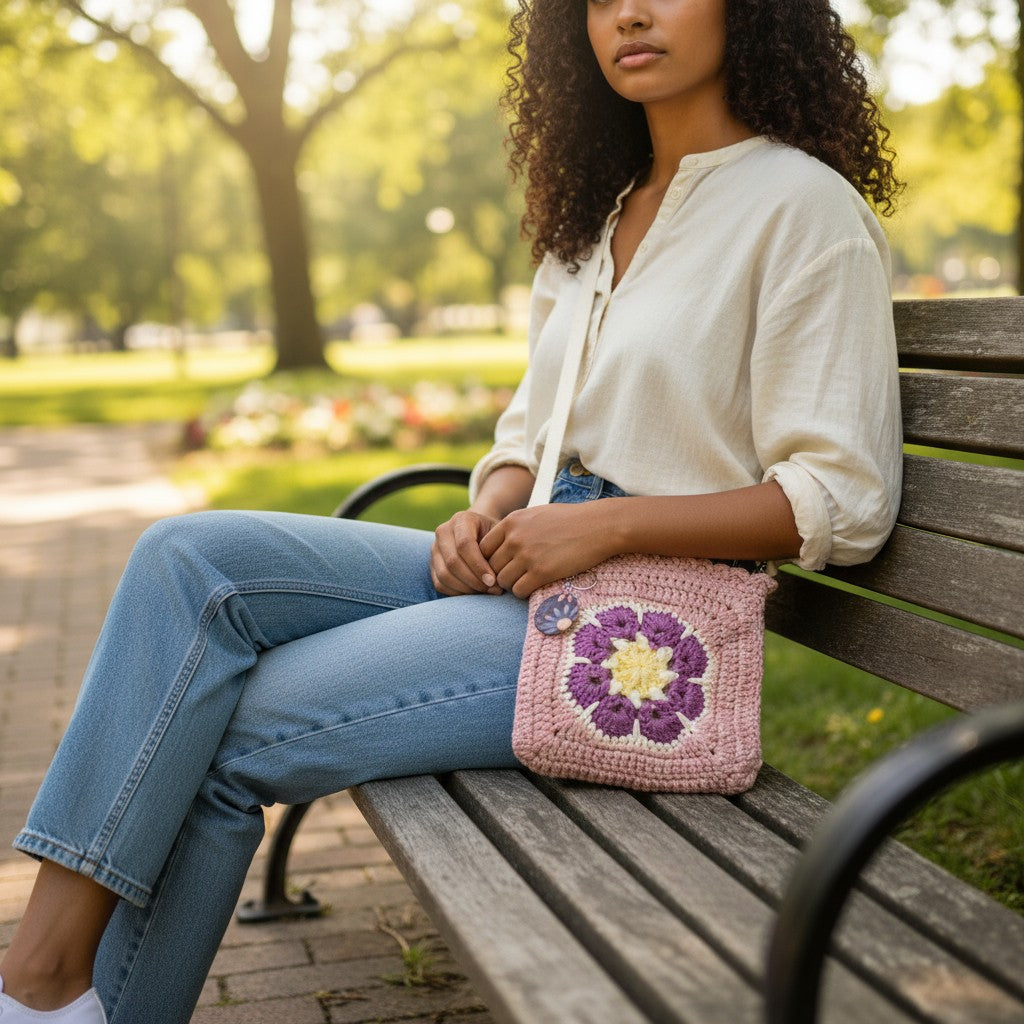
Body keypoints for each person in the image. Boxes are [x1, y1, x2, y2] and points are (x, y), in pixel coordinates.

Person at [0, 1, 903, 1021]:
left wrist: (606, 526)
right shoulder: (597, 217)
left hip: (637, 633)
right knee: (184, 559)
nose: (631, 13)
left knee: (215, 728)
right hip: (530, 564)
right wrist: (493, 505)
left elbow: (841, 500)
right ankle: (49, 977)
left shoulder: (802, 210)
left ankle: (44, 994)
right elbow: (527, 431)